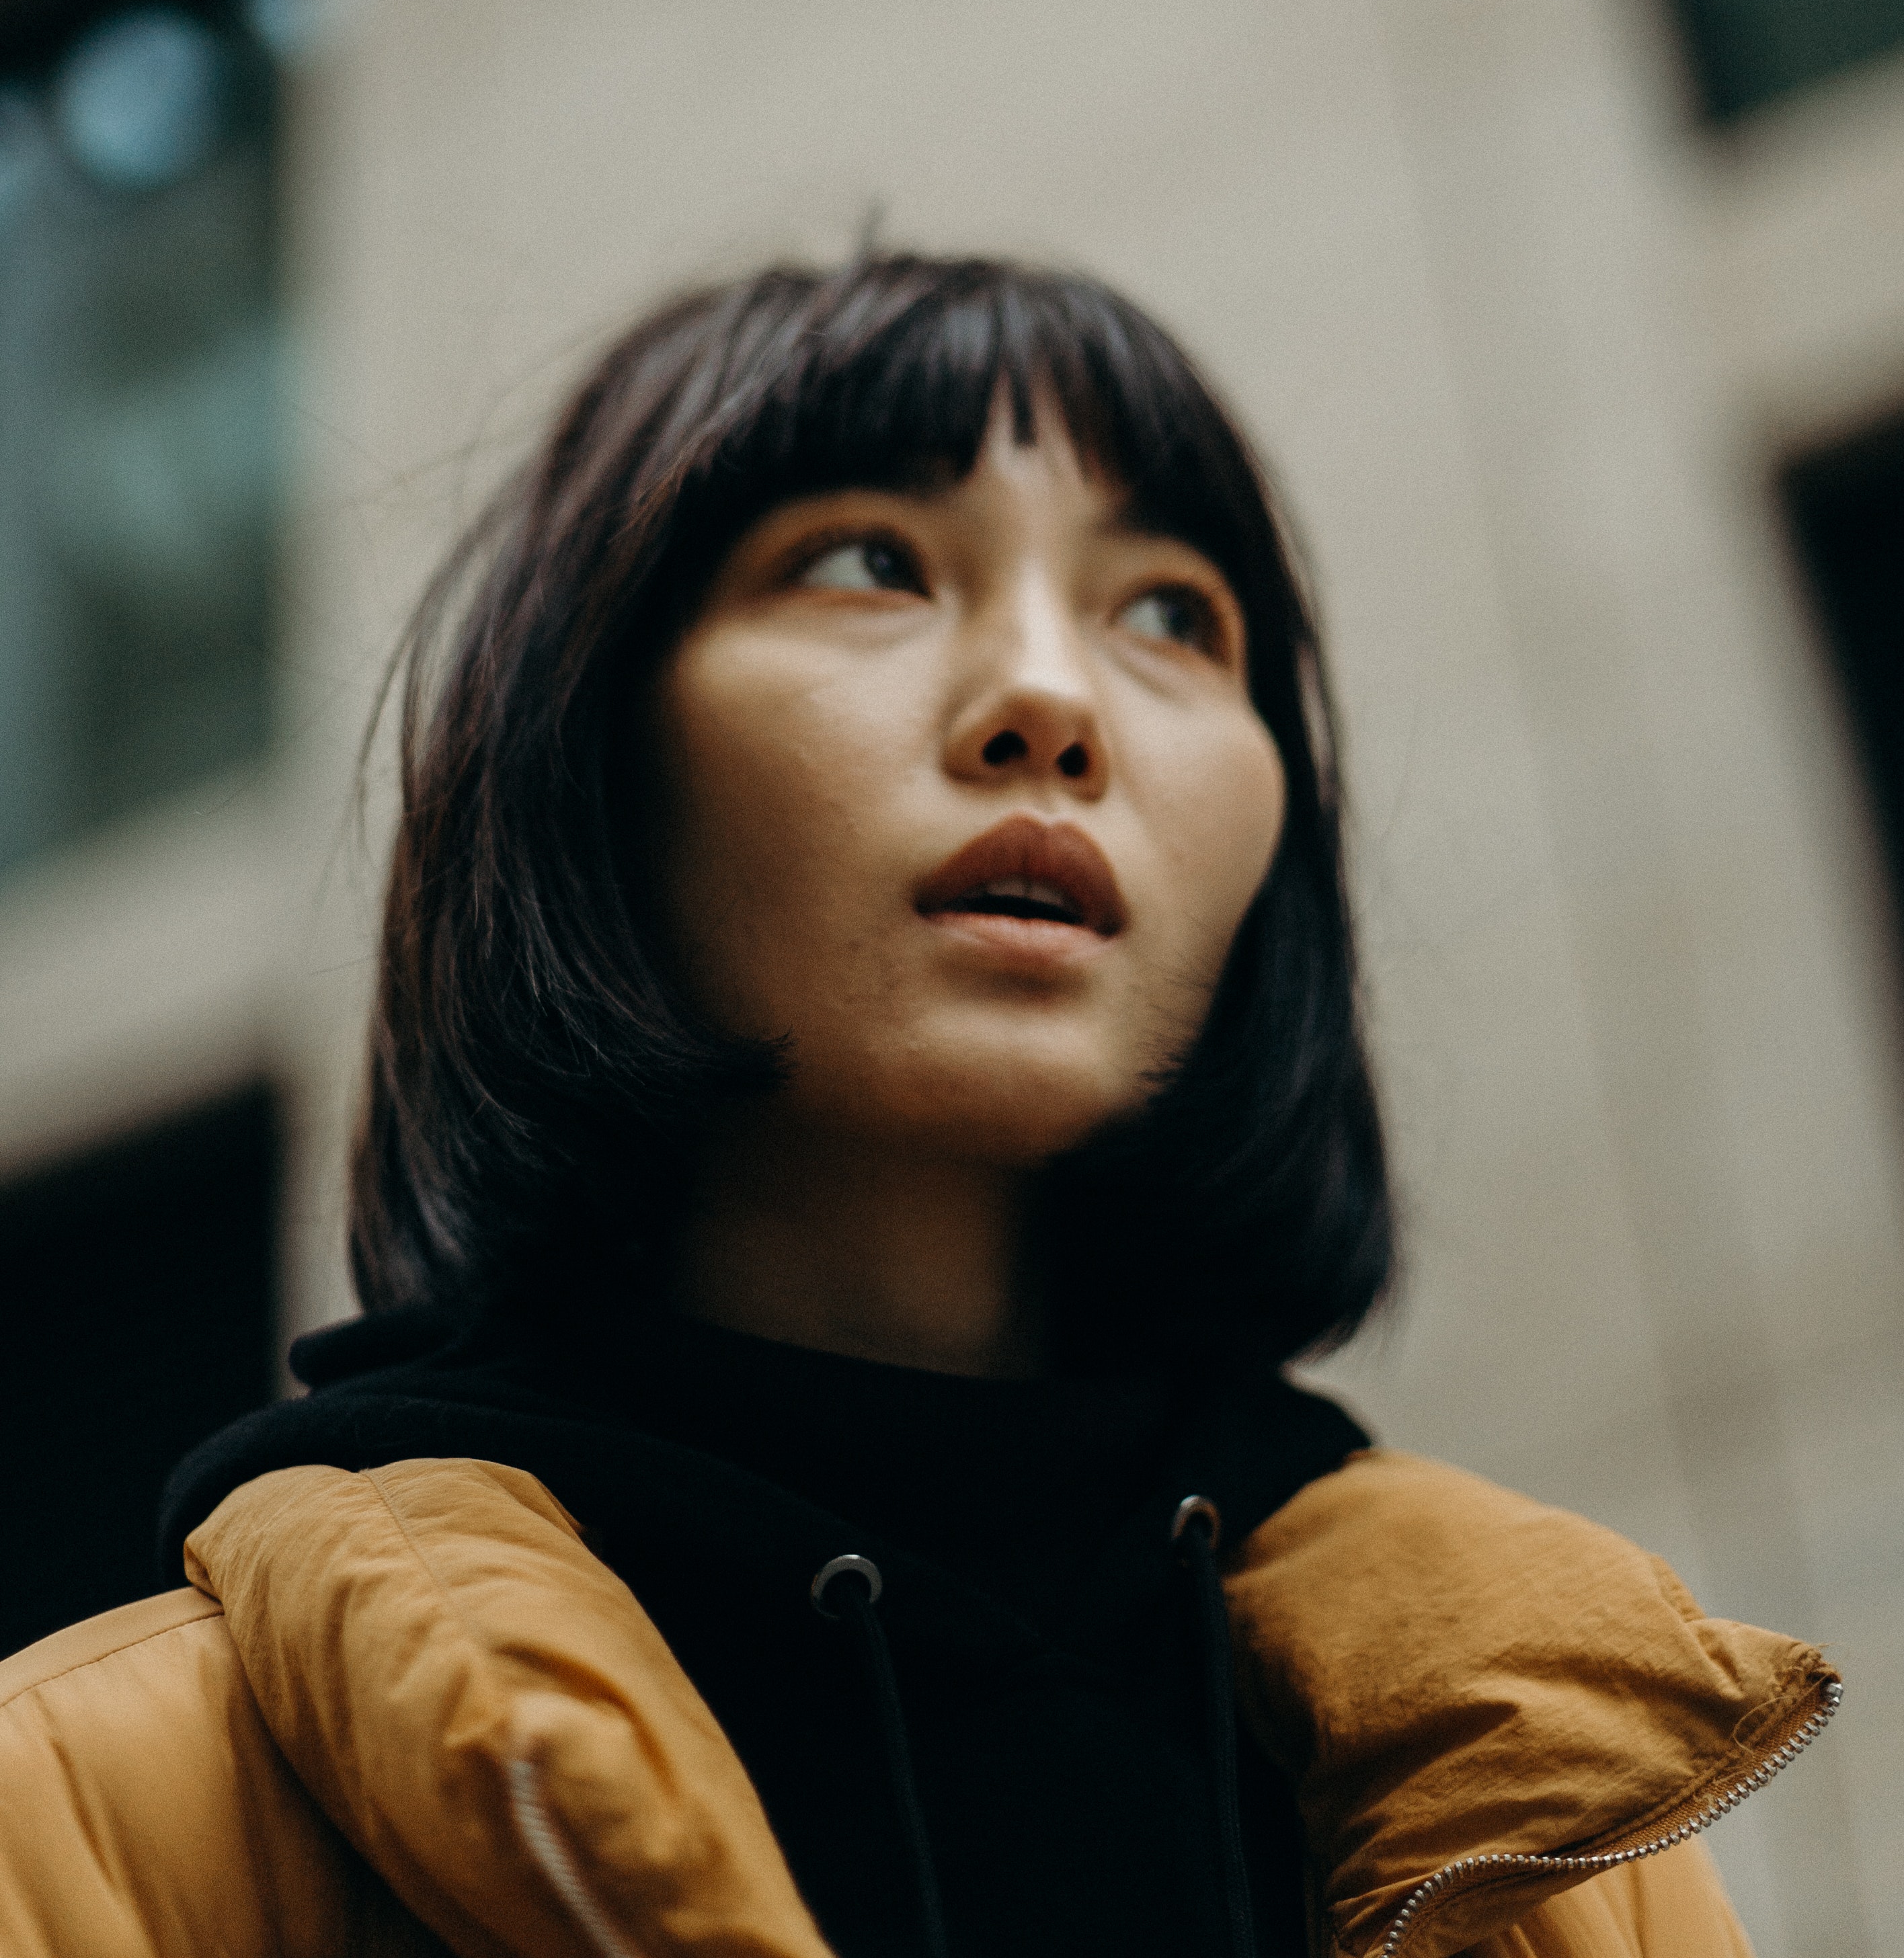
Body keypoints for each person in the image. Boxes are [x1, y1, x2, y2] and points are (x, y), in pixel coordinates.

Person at [0, 256, 1835, 1958]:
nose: (1051, 700)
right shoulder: (95, 1807)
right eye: (868, 561)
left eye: (1173, 615)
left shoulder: (1559, 1818)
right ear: (589, 752)